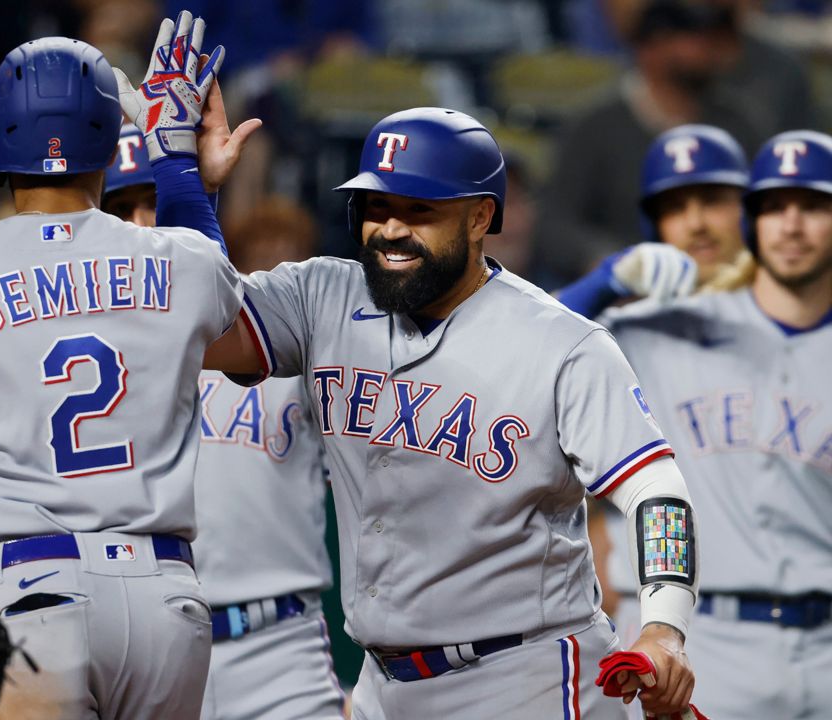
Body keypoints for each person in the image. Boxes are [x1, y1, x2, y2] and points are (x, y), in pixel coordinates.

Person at [170, 106, 705, 718]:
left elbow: (659, 491)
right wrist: (188, 184)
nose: (391, 229)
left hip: (521, 677)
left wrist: (664, 626)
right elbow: (200, 325)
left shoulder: (563, 344)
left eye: (420, 210)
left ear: (480, 217)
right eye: (376, 206)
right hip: (383, 683)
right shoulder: (322, 296)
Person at [0, 15, 257, 718]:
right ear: (107, 142)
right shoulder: (181, 261)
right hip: (163, 600)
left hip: (24, 591)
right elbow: (227, 306)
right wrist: (176, 163)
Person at [101, 125, 345, 720]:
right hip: (146, 653)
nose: (140, 225)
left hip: (280, 647)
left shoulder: (278, 336)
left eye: (153, 203)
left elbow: (449, 360)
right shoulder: (75, 352)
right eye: (120, 208)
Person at [597, 130, 832, 719]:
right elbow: (512, 354)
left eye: (812, 207)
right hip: (695, 639)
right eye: (775, 208)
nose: (793, 226)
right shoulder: (655, 329)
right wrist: (606, 280)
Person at [535, 0, 764, 282]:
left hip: (724, 283)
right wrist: (608, 262)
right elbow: (556, 221)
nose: (710, 49)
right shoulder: (595, 127)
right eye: (694, 37)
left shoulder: (736, 122)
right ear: (652, 48)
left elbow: (762, 207)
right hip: (629, 290)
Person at [557, 124, 752, 319]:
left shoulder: (780, 306)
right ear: (654, 226)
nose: (696, 224)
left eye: (713, 201)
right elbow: (543, 333)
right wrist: (606, 280)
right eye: (674, 208)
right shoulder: (637, 325)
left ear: (748, 211)